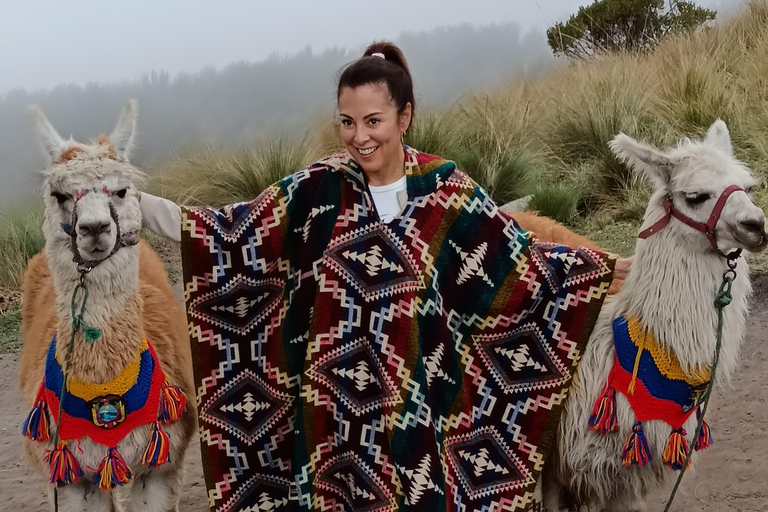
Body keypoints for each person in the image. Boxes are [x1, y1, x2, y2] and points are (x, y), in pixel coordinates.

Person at [139, 42, 628, 511]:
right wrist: (131, 201)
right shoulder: (317, 188)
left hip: (416, 401)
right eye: (347, 123)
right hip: (330, 409)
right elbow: (231, 231)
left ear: (405, 116)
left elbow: (514, 265)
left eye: (373, 121)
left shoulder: (445, 193)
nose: (360, 136)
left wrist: (596, 270)